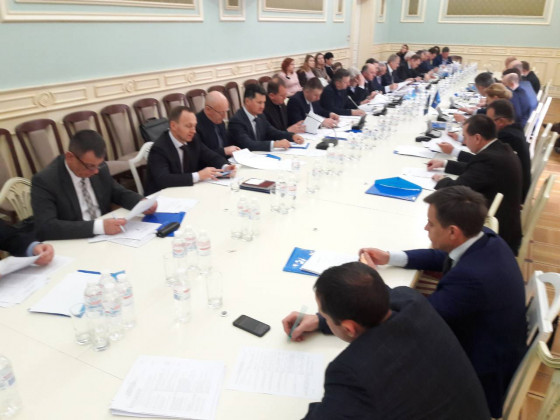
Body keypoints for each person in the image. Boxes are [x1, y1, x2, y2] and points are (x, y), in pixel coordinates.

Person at [360, 186, 526, 419]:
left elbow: (412, 318)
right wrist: (390, 257)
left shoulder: (471, 280)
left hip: (478, 380)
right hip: (489, 346)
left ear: (452, 232)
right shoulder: (485, 238)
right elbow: (443, 256)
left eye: (431, 223)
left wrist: (370, 283)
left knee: (374, 375)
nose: (425, 228)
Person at [283, 262, 491, 419]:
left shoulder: (351, 373)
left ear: (349, 328)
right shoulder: (410, 300)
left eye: (325, 315)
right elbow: (373, 297)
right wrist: (320, 321)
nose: (323, 317)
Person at [31, 130, 157, 240]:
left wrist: (140, 203)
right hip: (74, 240)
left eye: (98, 165)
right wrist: (99, 227)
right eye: (90, 166)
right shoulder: (45, 180)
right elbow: (46, 227)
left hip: (108, 237)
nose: (96, 171)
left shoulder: (99, 168)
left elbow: (117, 192)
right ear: (70, 157)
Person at [427, 114, 523, 254]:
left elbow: (456, 190)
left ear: (477, 138)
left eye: (465, 137)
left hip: (497, 235)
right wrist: (445, 163)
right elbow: (475, 167)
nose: (464, 141)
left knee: (440, 226)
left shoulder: (488, 160)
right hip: (507, 221)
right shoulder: (500, 149)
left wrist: (442, 180)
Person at [146, 107, 236, 194]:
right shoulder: (159, 148)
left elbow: (211, 156)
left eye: (194, 126)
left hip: (187, 191)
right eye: (189, 126)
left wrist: (225, 167)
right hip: (162, 196)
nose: (193, 131)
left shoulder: (193, 139)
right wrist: (198, 175)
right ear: (173, 126)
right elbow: (164, 179)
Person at [228, 84, 304, 152]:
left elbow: (272, 132)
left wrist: (291, 136)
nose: (262, 106)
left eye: (264, 102)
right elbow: (248, 144)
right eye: (259, 102)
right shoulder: (236, 121)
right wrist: (274, 144)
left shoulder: (260, 116)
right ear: (247, 101)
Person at [196, 91, 240, 158]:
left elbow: (227, 143)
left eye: (226, 111)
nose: (224, 116)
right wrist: (224, 151)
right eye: (221, 112)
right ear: (208, 109)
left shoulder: (219, 121)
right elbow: (201, 156)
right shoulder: (196, 126)